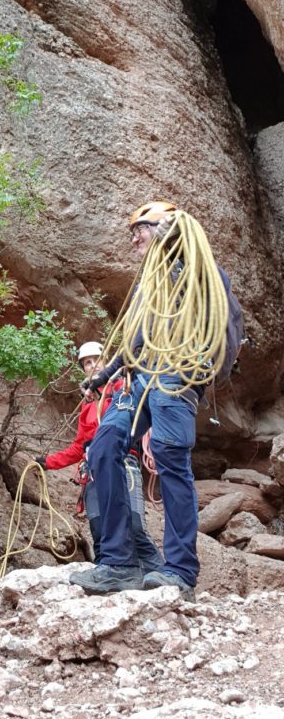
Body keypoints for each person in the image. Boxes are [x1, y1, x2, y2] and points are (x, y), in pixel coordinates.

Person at [70, 200, 238, 600]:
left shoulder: (204, 274)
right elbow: (137, 341)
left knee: (169, 457)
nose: (133, 239)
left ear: (163, 228)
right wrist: (103, 378)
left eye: (139, 229)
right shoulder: (152, 284)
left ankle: (180, 570)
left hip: (177, 377)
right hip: (142, 378)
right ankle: (119, 562)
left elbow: (212, 323)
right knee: (104, 446)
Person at [37, 341, 163, 575]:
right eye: (87, 362)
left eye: (97, 359)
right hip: (92, 471)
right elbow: (79, 446)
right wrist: (48, 462)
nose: (92, 365)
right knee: (99, 529)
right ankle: (108, 577)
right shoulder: (87, 408)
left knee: (134, 526)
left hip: (123, 464)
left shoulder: (123, 389)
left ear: (107, 362)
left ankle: (160, 576)